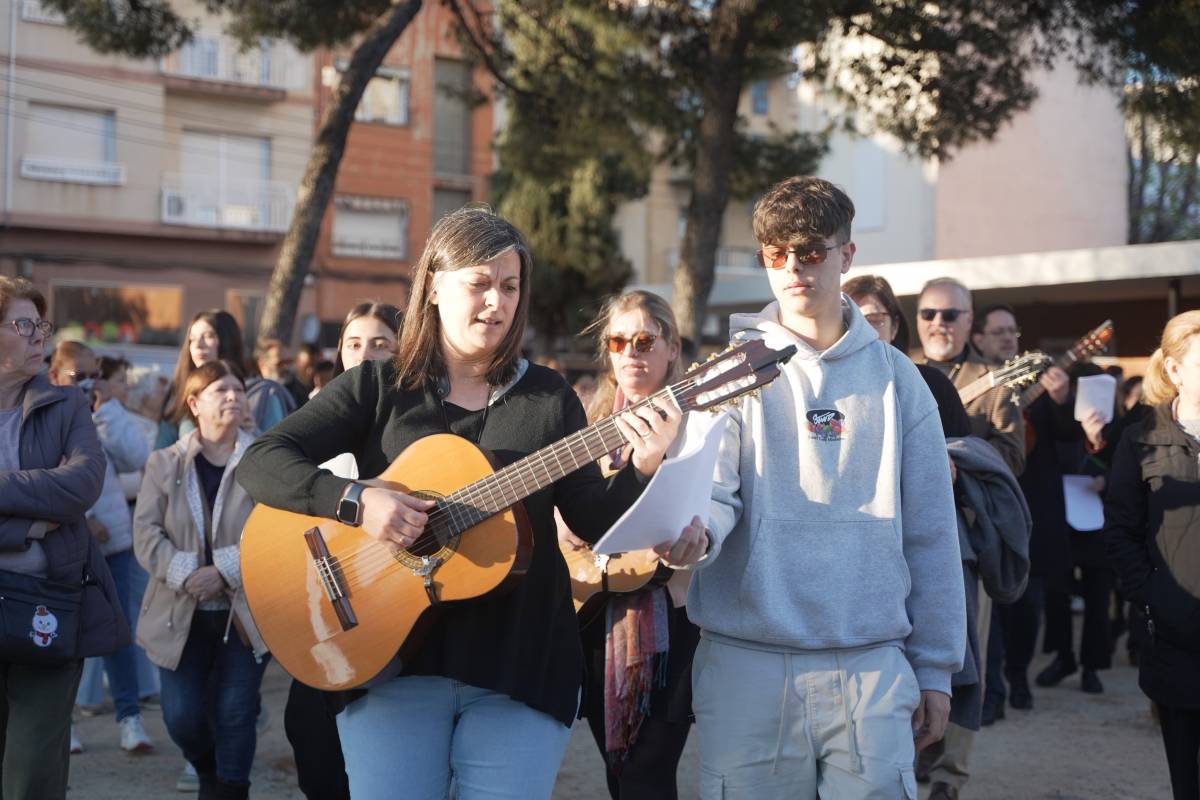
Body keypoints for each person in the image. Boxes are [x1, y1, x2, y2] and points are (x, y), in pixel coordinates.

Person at [235, 206, 694, 799]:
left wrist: (646, 465)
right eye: (479, 284)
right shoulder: (380, 387)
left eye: (510, 287)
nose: (496, 304)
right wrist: (356, 502)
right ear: (433, 285)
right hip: (387, 663)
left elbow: (593, 519)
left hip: (521, 668)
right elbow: (263, 460)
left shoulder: (549, 397)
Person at [686, 177, 964, 798]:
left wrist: (937, 668)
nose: (792, 268)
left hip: (872, 662)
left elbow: (932, 533)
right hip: (745, 660)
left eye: (810, 251)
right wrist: (692, 533)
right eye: (774, 253)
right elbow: (710, 490)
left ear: (847, 254)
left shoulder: (900, 380)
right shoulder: (726, 374)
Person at [558, 290, 700, 800]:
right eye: (619, 341)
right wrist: (562, 521)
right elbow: (560, 504)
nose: (631, 352)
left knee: (648, 775)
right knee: (619, 772)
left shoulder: (699, 423)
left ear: (671, 348)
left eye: (645, 340)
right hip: (595, 614)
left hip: (671, 617)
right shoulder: (589, 423)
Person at [0, 276, 128, 799]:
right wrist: (28, 522)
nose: (39, 337)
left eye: (41, 325)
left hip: (45, 608)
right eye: (24, 324)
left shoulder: (67, 404)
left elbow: (80, 486)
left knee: (32, 774)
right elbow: (54, 495)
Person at [133, 360, 268, 800]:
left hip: (243, 614)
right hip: (179, 613)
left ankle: (230, 788)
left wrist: (225, 569)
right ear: (193, 403)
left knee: (235, 712)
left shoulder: (264, 461)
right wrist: (188, 573)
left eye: (237, 389)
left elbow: (273, 533)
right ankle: (207, 769)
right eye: (220, 390)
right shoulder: (163, 463)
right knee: (181, 717)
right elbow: (146, 534)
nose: (233, 396)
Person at [283, 299, 401, 800]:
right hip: (322, 595)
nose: (366, 354)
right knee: (309, 733)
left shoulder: (410, 418)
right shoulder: (313, 419)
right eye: (354, 344)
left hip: (389, 605)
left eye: (380, 344)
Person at [914, 282, 1028, 800]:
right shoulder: (900, 370)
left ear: (969, 320)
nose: (939, 322)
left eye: (950, 313)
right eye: (928, 313)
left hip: (966, 531)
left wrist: (960, 461)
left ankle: (948, 776)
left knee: (965, 657)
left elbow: (1012, 455)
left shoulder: (994, 379)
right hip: (908, 536)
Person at [1105, 310, 1200, 800]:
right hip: (1175, 637)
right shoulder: (1140, 438)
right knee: (1187, 779)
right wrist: (1156, 599)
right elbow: (1120, 532)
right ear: (1176, 371)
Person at [47, 342, 154, 754]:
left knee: (117, 631)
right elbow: (47, 478)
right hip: (64, 543)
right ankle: (64, 720)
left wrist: (106, 411)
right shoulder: (42, 413)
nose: (88, 382)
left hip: (114, 544)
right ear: (55, 376)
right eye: (79, 375)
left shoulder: (102, 411)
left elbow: (136, 457)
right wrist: (80, 521)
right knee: (62, 634)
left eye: (94, 374)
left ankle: (129, 718)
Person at [156, 310, 291, 449]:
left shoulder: (262, 394)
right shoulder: (180, 391)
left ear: (227, 340)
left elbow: (278, 451)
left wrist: (252, 432)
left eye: (208, 336)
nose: (198, 345)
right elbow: (160, 453)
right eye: (192, 339)